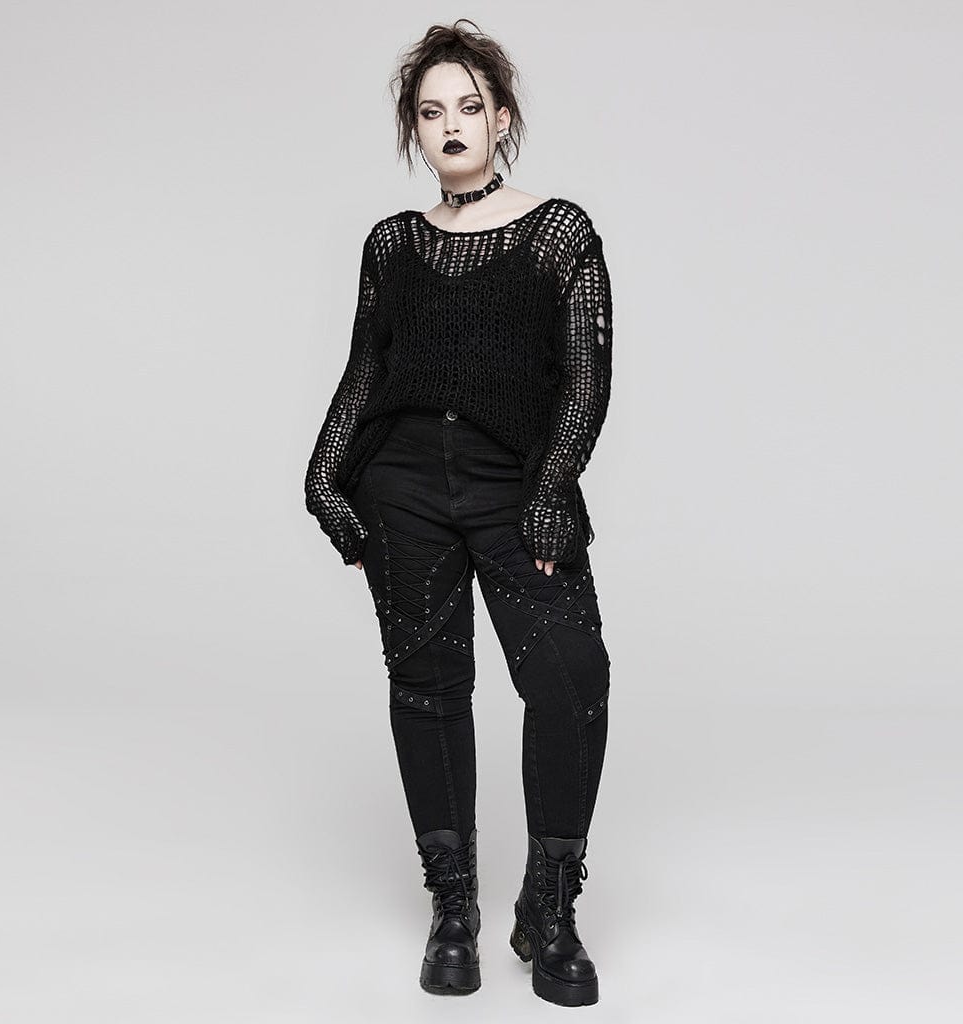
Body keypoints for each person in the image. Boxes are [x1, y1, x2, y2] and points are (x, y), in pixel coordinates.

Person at [303, 19, 613, 1007]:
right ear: (414, 130)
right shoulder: (391, 244)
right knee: (429, 687)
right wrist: (322, 479)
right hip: (402, 485)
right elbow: (367, 371)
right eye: (430, 111)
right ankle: (453, 908)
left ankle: (548, 910)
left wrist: (552, 489)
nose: (450, 125)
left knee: (569, 679)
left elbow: (585, 377)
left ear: (501, 118)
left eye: (468, 107)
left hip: (511, 484)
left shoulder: (557, 233)